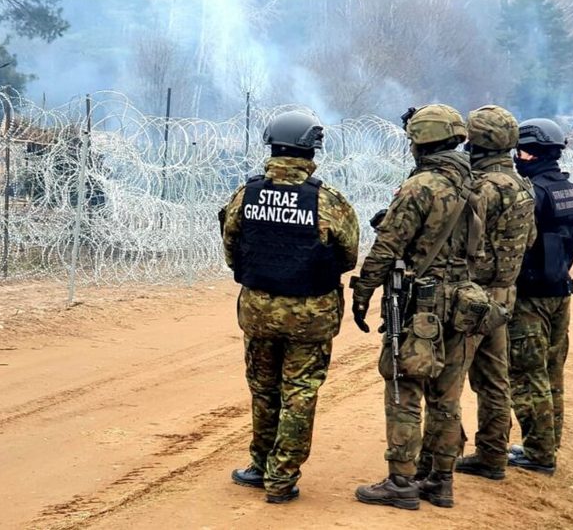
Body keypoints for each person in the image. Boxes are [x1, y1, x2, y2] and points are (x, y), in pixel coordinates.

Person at [220, 110, 359, 503]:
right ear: (312, 149)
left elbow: (232, 249)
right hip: (311, 313)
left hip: (259, 311)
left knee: (263, 390)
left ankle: (259, 465)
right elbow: (348, 256)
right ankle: (280, 479)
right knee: (299, 393)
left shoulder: (246, 194)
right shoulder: (328, 201)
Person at [351, 104, 482, 509]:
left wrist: (363, 290)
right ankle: (440, 482)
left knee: (404, 387)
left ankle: (401, 482)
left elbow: (388, 246)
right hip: (463, 300)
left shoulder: (421, 186)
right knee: (447, 396)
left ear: (421, 141)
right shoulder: (473, 184)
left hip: (419, 302)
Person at [446, 105, 537, 481]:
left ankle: (443, 456)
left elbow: (455, 240)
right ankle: (493, 455)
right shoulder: (522, 186)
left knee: (447, 381)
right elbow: (527, 239)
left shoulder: (480, 188)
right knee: (495, 381)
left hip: (471, 297)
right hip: (504, 296)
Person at [507, 118, 573, 474]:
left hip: (532, 295)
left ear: (530, 152)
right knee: (553, 372)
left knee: (527, 374)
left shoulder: (533, 193)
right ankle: (547, 445)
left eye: (519, 151)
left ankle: (538, 453)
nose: (516, 157)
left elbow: (516, 244)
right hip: (560, 291)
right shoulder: (568, 190)